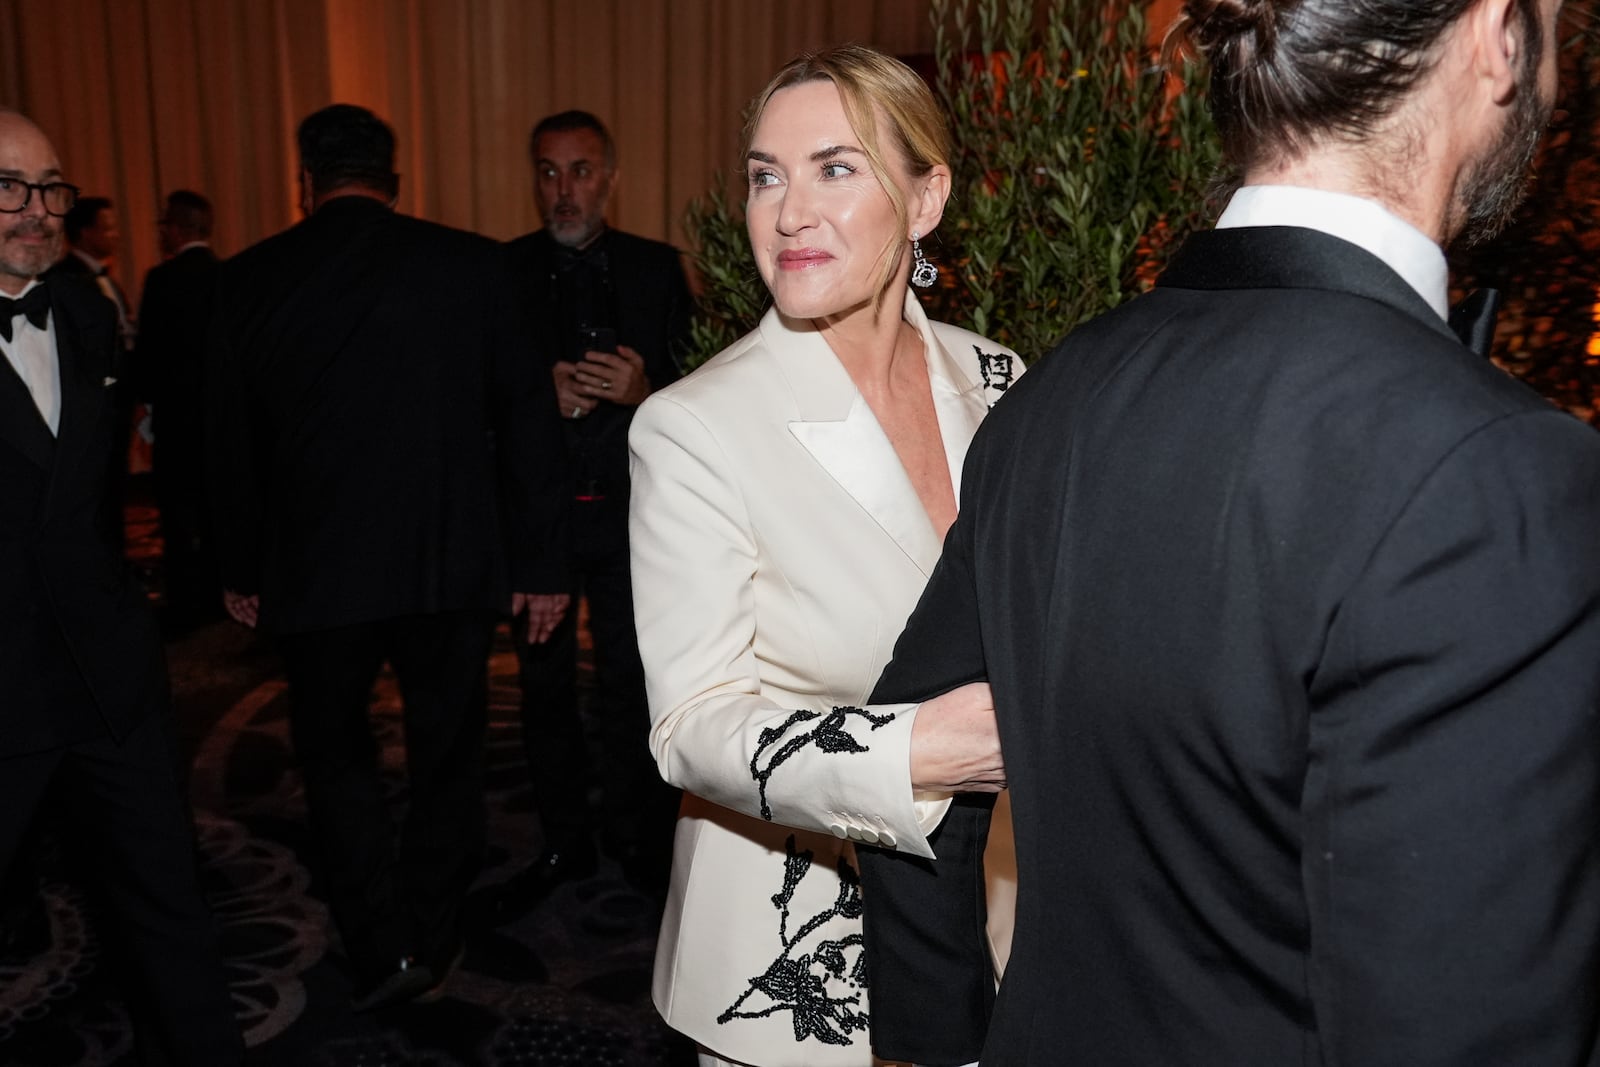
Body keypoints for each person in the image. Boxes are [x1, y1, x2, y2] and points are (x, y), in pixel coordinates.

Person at [857, 0, 1600, 1064]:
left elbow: (904, 748)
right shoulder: (1501, 471)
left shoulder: (1053, 392)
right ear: (1493, 36)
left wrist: (941, 1038)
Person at [627, 46, 1022, 1067]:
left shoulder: (1001, 377)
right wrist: (919, 753)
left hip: (1004, 919)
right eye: (766, 174)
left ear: (925, 197)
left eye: (834, 168)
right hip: (804, 954)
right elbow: (690, 726)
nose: (787, 211)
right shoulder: (696, 426)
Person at [206, 103, 570, 1013]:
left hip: (316, 566)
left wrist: (243, 567)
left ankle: (377, 941)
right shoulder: (474, 265)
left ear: (305, 182)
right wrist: (543, 562)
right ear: (394, 178)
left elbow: (227, 444)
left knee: (334, 756)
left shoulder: (246, 280)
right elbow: (528, 419)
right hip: (447, 558)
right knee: (450, 748)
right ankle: (435, 924)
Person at [0, 109, 242, 1065]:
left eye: (50, 186)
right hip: (2, 679)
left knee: (165, 894)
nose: (37, 208)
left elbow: (91, 501)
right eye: (9, 186)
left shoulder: (88, 311)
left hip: (107, 670)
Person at [493, 111, 691, 916]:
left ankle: (638, 834)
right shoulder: (499, 272)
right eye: (548, 171)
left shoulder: (657, 268)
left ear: (609, 177)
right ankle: (562, 835)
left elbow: (705, 385)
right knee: (541, 688)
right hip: (536, 521)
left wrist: (649, 391)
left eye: (579, 171)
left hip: (631, 514)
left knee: (630, 679)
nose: (563, 189)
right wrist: (534, 394)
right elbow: (473, 397)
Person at [136, 189, 220, 628]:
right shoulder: (230, 276)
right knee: (217, 510)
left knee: (176, 514)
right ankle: (221, 593)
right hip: (220, 420)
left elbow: (150, 356)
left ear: (177, 227)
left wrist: (145, 411)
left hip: (176, 417)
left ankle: (188, 602)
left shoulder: (162, 280)